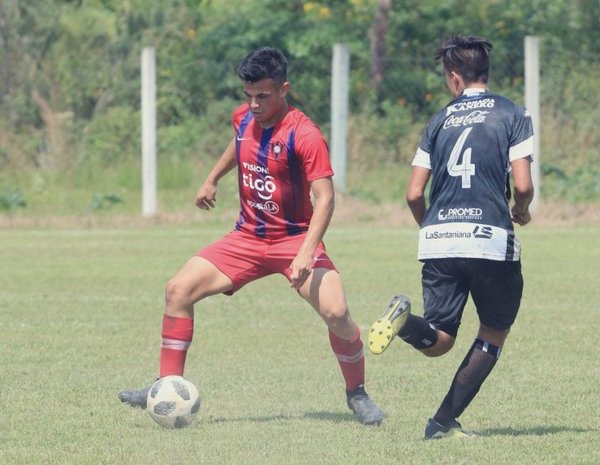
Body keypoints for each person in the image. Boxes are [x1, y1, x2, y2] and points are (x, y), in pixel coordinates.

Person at [118, 47, 384, 425]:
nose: (254, 104)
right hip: (245, 238)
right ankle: (166, 384)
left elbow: (325, 199)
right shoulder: (244, 117)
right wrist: (212, 178)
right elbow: (239, 141)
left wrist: (307, 253)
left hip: (294, 240)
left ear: (283, 89)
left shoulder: (305, 134)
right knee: (177, 290)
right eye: (249, 96)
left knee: (337, 313)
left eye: (263, 95)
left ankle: (357, 394)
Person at [368, 35, 534, 438]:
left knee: (439, 339)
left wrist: (432, 229)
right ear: (483, 74)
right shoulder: (512, 113)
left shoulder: (438, 121)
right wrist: (522, 210)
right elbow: (524, 185)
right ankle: (442, 422)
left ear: (454, 78)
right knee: (493, 331)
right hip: (490, 237)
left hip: (440, 238)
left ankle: (406, 322)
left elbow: (412, 193)